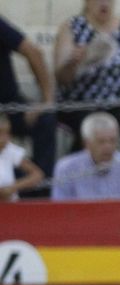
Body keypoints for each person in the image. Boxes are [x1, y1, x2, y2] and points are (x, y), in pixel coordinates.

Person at [54, 0, 120, 183]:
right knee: (88, 128)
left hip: (119, 103)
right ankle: (78, 186)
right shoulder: (72, 27)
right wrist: (72, 62)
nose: (104, 3)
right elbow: (61, 78)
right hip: (80, 103)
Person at [0, 15, 59, 187]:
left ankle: (42, 192)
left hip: (10, 106)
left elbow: (33, 52)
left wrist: (47, 100)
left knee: (45, 119)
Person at [51, 110, 120, 199]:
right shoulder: (67, 169)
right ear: (87, 143)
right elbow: (60, 207)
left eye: (112, 141)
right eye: (101, 142)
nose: (108, 147)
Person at [0, 114, 46, 201]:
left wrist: (12, 187)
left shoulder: (10, 150)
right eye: (0, 134)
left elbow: (37, 174)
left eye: (7, 133)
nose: (4, 138)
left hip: (9, 203)